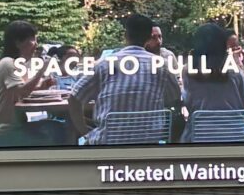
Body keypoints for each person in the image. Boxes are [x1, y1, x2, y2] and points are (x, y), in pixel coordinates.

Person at [67, 13, 182, 143]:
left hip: (108, 144)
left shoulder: (105, 63)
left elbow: (74, 97)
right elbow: (175, 97)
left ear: (125, 35)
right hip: (149, 144)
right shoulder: (161, 65)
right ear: (149, 37)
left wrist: (85, 131)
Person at [0, 19, 62, 147]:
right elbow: (22, 91)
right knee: (58, 133)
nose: (36, 44)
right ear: (18, 42)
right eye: (33, 39)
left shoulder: (19, 65)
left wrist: (41, 86)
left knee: (57, 127)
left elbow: (19, 92)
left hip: (12, 127)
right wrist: (42, 70)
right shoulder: (7, 63)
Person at [182, 21, 244, 117]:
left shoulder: (189, 71)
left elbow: (188, 104)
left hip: (200, 130)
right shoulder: (233, 69)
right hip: (236, 130)